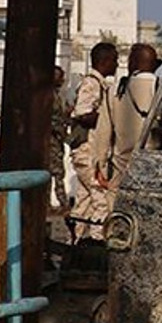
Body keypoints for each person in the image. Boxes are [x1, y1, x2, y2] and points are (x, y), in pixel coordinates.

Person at [70, 42, 119, 241]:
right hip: (87, 151)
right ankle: (99, 242)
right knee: (102, 201)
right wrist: (108, 118)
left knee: (83, 203)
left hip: (89, 152)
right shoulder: (91, 83)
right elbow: (82, 114)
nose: (116, 65)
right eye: (114, 60)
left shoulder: (100, 84)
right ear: (105, 61)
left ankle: (74, 244)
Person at [112, 43, 161, 175]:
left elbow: (104, 130)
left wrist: (99, 163)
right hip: (151, 159)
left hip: (122, 162)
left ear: (132, 62)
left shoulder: (117, 88)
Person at [49, 65, 71, 212]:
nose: (62, 80)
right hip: (52, 140)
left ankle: (61, 202)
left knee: (58, 173)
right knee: (56, 173)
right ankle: (61, 202)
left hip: (57, 140)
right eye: (59, 77)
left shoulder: (57, 96)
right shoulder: (50, 97)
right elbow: (51, 119)